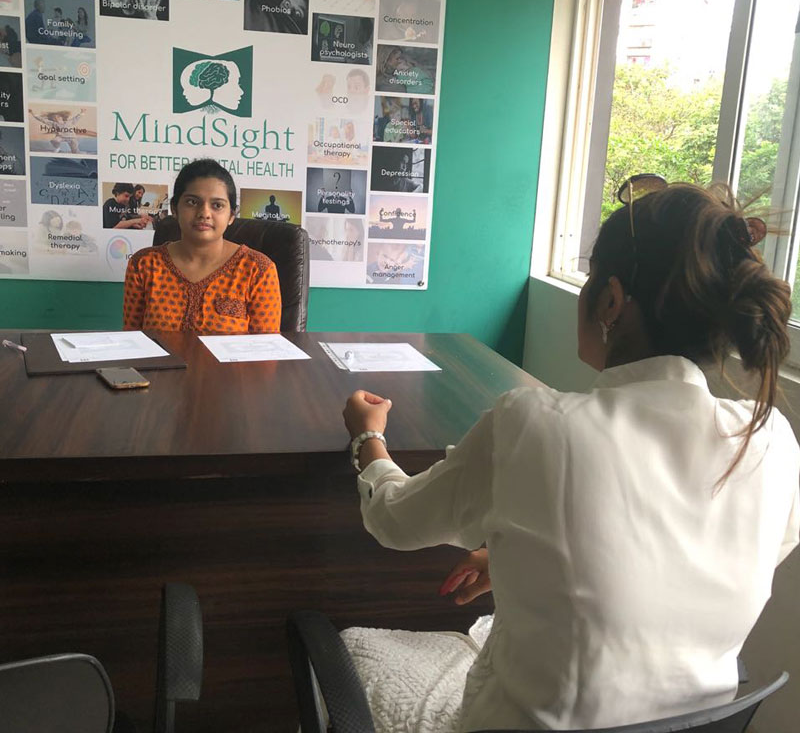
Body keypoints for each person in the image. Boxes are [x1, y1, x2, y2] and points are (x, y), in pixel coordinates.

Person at [341, 180, 800, 733]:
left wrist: (368, 440)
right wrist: (525, 559)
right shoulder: (771, 440)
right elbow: (690, 564)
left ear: (610, 300)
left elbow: (394, 521)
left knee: (353, 653)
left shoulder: (533, 425)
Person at [123, 158, 282, 334]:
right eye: (192, 202)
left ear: (231, 215)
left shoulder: (257, 270)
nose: (204, 213)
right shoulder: (144, 265)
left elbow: (266, 349)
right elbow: (132, 342)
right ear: (174, 209)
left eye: (217, 205)